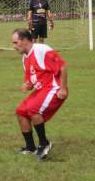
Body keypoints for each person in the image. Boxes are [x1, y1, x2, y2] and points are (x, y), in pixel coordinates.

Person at [11, 28, 68, 160]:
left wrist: (63, 88)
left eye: (15, 42)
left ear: (25, 40)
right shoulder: (25, 58)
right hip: (42, 90)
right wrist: (27, 85)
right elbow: (32, 79)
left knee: (33, 109)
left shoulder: (41, 49)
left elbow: (63, 66)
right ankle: (30, 147)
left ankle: (44, 143)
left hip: (55, 88)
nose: (14, 47)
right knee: (21, 111)